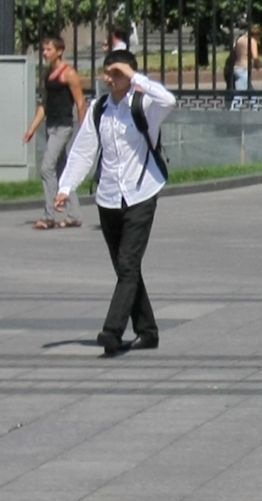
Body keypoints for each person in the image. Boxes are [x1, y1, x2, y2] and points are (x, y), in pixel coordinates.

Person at [54, 50, 175, 357]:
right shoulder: (99, 109)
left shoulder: (145, 105)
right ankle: (148, 331)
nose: (109, 79)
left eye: (116, 73)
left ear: (129, 75)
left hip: (142, 193)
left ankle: (112, 331)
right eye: (107, 73)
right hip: (108, 198)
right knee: (125, 267)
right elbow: (83, 151)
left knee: (127, 265)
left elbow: (169, 100)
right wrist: (66, 187)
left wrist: (135, 78)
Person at [25, 35, 87, 230]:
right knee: (62, 171)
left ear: (59, 51)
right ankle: (74, 215)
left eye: (49, 49)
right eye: (44, 49)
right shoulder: (46, 74)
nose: (45, 53)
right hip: (51, 125)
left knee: (46, 168)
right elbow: (44, 104)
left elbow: (80, 102)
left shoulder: (69, 73)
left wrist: (85, 130)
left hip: (64, 126)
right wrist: (32, 129)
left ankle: (49, 215)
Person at [228, 24, 261, 110]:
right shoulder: (252, 41)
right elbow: (255, 56)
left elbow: (235, 51)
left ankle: (255, 107)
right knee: (240, 93)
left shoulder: (240, 39)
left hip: (237, 67)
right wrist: (258, 65)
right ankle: (233, 111)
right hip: (244, 68)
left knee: (250, 90)